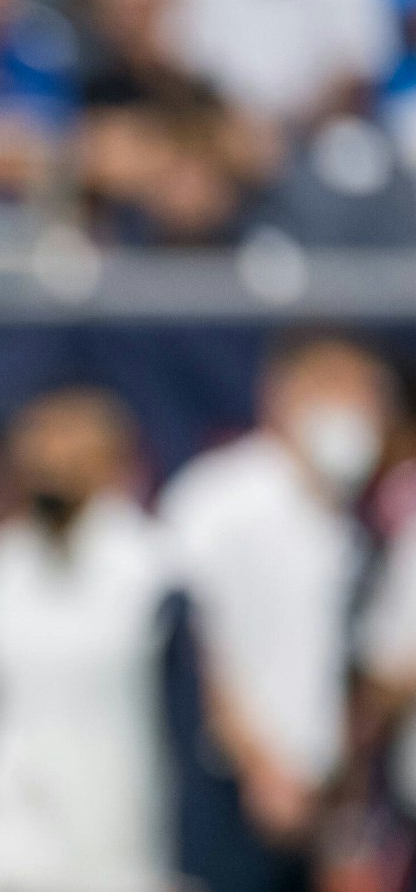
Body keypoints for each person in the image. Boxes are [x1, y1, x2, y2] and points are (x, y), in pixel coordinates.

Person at [157, 333, 392, 892]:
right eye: (336, 390)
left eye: (367, 395)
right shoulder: (218, 499)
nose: (355, 409)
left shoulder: (353, 519)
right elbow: (195, 646)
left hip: (324, 797)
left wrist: (345, 805)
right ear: (281, 396)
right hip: (231, 791)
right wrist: (260, 766)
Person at [0, 389, 176, 892]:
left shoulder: (150, 564)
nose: (52, 470)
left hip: (112, 828)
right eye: (40, 457)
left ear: (109, 463)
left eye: (70, 456)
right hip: (1, 824)